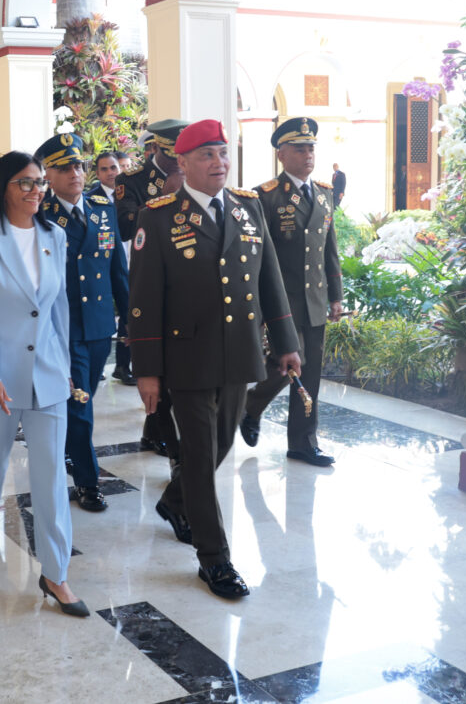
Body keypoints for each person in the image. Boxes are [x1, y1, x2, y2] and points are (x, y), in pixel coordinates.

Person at [128, 119, 301, 599]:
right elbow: (144, 300)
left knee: (221, 444)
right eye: (206, 155)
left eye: (223, 153)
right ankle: (214, 558)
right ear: (182, 163)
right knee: (201, 456)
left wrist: (286, 342)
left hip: (239, 352)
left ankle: (174, 501)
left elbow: (270, 280)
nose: (219, 163)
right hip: (187, 356)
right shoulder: (158, 217)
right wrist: (147, 370)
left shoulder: (248, 207)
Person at [0, 150, 89, 618]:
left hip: (48, 374)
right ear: (4, 187)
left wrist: (65, 366)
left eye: (39, 182)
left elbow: (58, 310)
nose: (36, 191)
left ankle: (56, 573)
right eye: (25, 183)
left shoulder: (55, 235)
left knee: (51, 476)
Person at [240, 118, 343, 467]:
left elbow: (329, 249)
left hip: (314, 299)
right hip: (281, 302)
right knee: (287, 366)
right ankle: (252, 405)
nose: (307, 154)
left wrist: (335, 296)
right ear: (281, 154)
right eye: (299, 149)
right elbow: (256, 257)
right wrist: (257, 304)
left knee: (309, 373)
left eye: (311, 148)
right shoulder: (265, 196)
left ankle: (302, 442)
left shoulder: (325, 193)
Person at [38, 135, 128, 513]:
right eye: (64, 168)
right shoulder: (41, 215)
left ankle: (68, 449)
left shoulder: (101, 207)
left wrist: (129, 320)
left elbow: (117, 268)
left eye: (78, 165)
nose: (74, 173)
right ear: (48, 175)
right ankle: (88, 483)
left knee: (83, 396)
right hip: (65, 327)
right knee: (80, 405)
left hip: (99, 325)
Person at [115, 119, 188, 458]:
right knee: (155, 360)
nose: (177, 161)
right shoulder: (132, 180)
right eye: (171, 154)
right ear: (156, 148)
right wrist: (165, 197)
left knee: (176, 363)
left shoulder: (192, 170)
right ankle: (161, 433)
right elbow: (125, 226)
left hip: (185, 276)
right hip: (148, 277)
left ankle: (154, 430)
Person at [89, 150, 134, 385]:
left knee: (131, 310)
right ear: (97, 174)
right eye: (104, 169)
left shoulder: (130, 194)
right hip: (106, 267)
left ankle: (124, 366)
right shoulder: (91, 201)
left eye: (114, 167)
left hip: (132, 258)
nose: (110, 173)